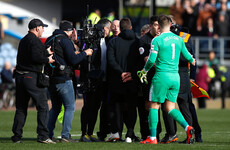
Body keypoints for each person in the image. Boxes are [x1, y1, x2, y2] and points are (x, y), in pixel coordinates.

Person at [138, 15, 196, 144]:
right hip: (175, 78)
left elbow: (151, 59)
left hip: (161, 76)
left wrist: (144, 71)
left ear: (158, 25)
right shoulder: (179, 39)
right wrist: (193, 60)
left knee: (154, 106)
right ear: (170, 25)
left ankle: (152, 138)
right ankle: (188, 127)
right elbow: (187, 56)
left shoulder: (157, 40)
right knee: (170, 108)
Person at [46, 20, 93, 142]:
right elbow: (73, 60)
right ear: (69, 31)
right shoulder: (65, 40)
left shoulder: (49, 39)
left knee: (55, 107)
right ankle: (65, 135)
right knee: (70, 107)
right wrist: (84, 53)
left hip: (51, 79)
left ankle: (48, 133)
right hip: (63, 78)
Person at [11, 18, 55, 144]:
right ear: (37, 28)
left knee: (21, 108)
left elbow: (30, 55)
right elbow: (35, 57)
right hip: (31, 77)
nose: (43, 30)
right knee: (43, 106)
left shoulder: (24, 39)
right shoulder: (35, 40)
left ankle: (16, 137)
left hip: (20, 77)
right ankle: (43, 136)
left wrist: (45, 52)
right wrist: (48, 60)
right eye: (42, 27)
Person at [160, 15, 201, 144]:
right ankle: (192, 134)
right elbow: (192, 58)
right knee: (185, 107)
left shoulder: (165, 37)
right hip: (183, 76)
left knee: (168, 106)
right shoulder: (184, 37)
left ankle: (172, 134)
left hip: (171, 73)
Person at [107, 18, 140, 143]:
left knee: (116, 108)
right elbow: (140, 61)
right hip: (132, 81)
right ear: (131, 27)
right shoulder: (137, 42)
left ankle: (116, 133)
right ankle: (130, 134)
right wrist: (132, 74)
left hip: (117, 80)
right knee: (131, 108)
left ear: (120, 28)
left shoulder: (114, 42)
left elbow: (111, 60)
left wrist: (121, 72)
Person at [79, 18, 111, 142]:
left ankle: (90, 132)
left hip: (101, 80)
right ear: (104, 28)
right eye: (108, 29)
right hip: (90, 79)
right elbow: (85, 58)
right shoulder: (91, 40)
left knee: (96, 107)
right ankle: (84, 133)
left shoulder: (107, 41)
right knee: (88, 106)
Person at [138, 15, 161, 141]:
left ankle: (166, 134)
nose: (158, 28)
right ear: (151, 26)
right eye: (156, 25)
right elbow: (147, 59)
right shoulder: (144, 40)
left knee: (165, 107)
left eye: (160, 25)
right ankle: (149, 134)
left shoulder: (162, 38)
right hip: (150, 78)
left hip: (161, 77)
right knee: (149, 106)